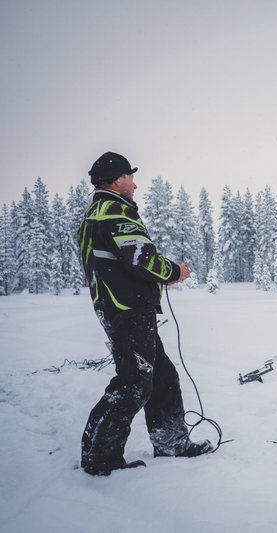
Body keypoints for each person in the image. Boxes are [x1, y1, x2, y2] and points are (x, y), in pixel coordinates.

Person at [77, 151, 213, 476]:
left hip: (124, 308)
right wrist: (174, 271)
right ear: (117, 179)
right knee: (134, 383)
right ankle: (100, 456)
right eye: (131, 177)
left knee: (162, 377)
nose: (135, 185)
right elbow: (140, 257)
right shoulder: (112, 210)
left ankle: (171, 443)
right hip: (126, 311)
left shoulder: (99, 211)